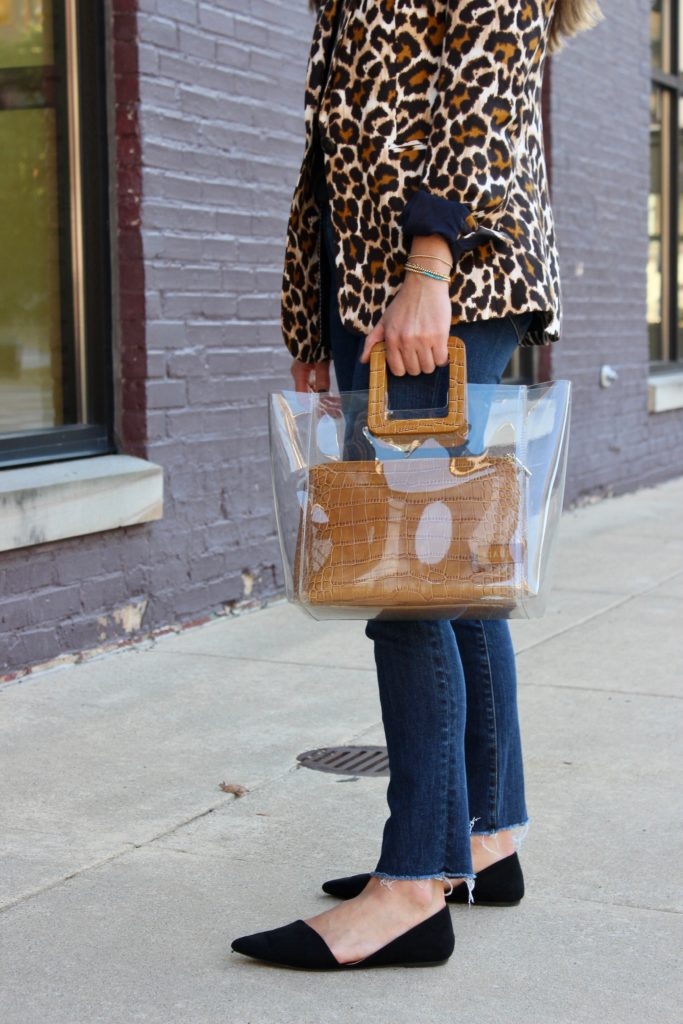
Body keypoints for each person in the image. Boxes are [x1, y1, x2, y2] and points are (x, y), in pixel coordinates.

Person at [232, 0, 602, 971]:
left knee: (406, 575)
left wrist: (428, 267)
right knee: (454, 567)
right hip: (383, 288)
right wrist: (311, 313)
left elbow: (479, 89)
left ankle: (412, 884)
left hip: (445, 276)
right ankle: (484, 831)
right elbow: (337, 149)